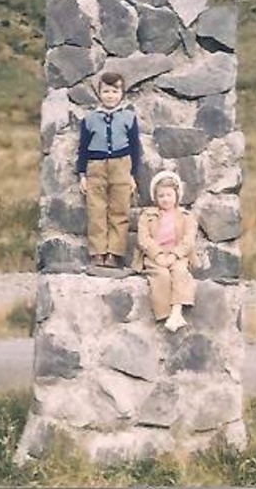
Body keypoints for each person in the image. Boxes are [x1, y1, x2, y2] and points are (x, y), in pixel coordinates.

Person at [76, 72, 142, 268]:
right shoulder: (90, 119)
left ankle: (115, 252)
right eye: (106, 91)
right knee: (96, 210)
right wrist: (82, 175)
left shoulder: (129, 117)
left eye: (115, 91)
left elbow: (135, 148)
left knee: (119, 209)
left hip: (121, 165)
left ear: (122, 93)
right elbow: (82, 148)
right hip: (95, 166)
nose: (110, 95)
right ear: (99, 93)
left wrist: (132, 174)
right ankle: (97, 252)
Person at [134, 170, 198, 332]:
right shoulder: (147, 215)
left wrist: (175, 254)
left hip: (178, 254)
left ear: (176, 196)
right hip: (155, 256)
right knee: (161, 275)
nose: (165, 199)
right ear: (156, 198)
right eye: (161, 196)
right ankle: (165, 314)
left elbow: (188, 239)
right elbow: (144, 239)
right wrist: (158, 255)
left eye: (169, 195)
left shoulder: (186, 216)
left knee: (180, 272)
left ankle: (177, 311)